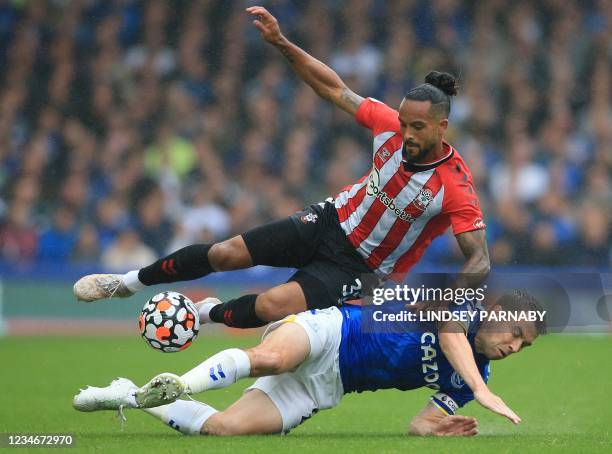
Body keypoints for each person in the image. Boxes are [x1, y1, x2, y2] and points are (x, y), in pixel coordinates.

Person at [74, 4, 517, 422]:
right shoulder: (387, 125)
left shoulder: (455, 187)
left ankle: (204, 314)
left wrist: (458, 300)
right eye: (402, 123)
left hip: (361, 267)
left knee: (271, 305)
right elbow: (332, 87)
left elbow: (479, 258)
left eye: (417, 128)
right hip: (329, 220)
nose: (405, 134)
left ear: (442, 127)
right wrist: (282, 42)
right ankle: (126, 283)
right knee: (227, 254)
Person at [73, 291, 545, 436]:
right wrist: (482, 393)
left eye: (523, 349)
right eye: (516, 335)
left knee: (224, 429)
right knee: (272, 358)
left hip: (328, 386)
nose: (514, 348)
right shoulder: (457, 304)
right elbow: (448, 332)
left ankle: (130, 394)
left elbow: (419, 423)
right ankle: (181, 381)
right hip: (334, 331)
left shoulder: (472, 379)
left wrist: (434, 428)